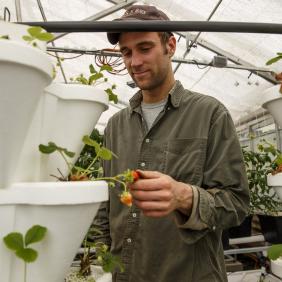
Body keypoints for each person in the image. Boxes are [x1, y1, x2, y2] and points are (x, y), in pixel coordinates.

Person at [93, 4, 250, 282]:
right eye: (127, 52)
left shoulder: (209, 114)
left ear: (171, 46)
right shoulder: (116, 125)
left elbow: (236, 204)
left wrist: (184, 197)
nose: (135, 62)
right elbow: (106, 204)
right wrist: (102, 258)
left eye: (144, 48)